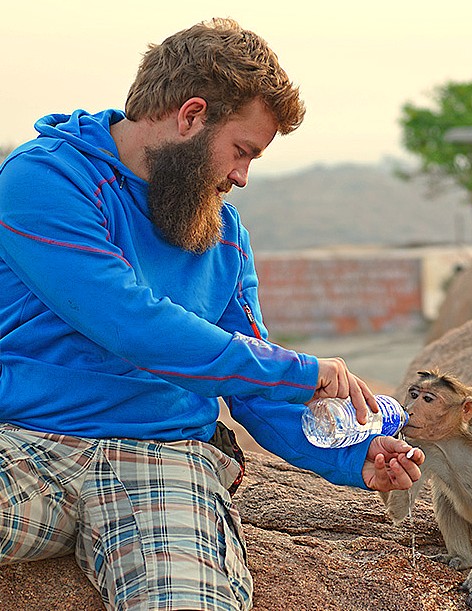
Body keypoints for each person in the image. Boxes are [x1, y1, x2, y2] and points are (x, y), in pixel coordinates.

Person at [0, 17, 424, 611]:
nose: (241, 177)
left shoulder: (222, 234)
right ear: (191, 115)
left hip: (160, 461)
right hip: (23, 447)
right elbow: (129, 322)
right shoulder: (45, 180)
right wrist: (302, 371)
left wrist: (355, 458)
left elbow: (252, 388)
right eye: (241, 150)